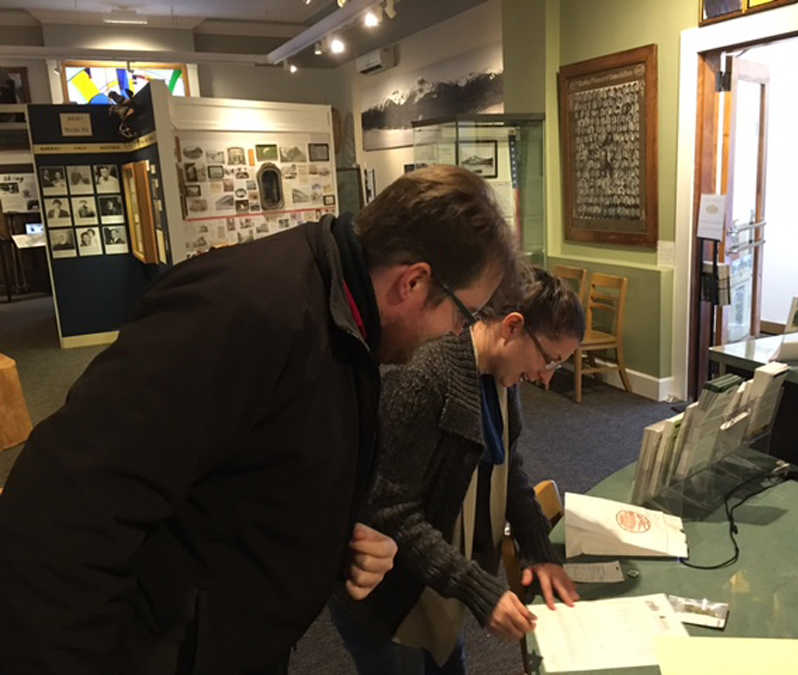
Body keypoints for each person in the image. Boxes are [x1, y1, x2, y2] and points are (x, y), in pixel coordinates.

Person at [0, 165, 520, 675]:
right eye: (463, 313)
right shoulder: (246, 309)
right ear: (413, 282)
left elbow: (252, 464)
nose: (457, 334)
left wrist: (335, 537)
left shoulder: (342, 318)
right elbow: (59, 514)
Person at [330, 268, 585, 674]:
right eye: (549, 359)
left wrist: (539, 551)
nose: (547, 378)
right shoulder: (424, 377)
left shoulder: (502, 377)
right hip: (392, 604)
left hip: (437, 590)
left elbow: (508, 468)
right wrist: (479, 591)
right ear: (512, 327)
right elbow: (391, 515)